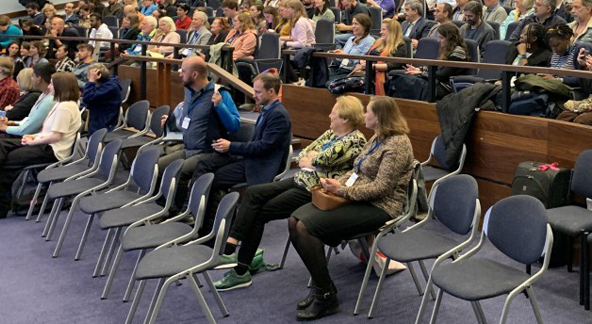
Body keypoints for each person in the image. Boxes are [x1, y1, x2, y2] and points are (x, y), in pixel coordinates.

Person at [288, 96, 415, 320]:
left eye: (368, 112)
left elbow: (381, 189)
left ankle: (326, 296)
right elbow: (357, 169)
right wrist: (339, 183)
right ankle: (322, 287)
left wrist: (342, 191)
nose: (364, 115)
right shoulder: (378, 137)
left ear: (380, 117)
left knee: (305, 228)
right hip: (358, 198)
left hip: (380, 207)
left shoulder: (397, 145)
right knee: (294, 221)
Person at [0, 72, 83, 219]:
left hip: (51, 150)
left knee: (4, 162)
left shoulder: (65, 107)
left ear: (59, 86)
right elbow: (49, 131)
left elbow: (57, 136)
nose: (49, 86)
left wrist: (34, 140)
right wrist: (33, 136)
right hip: (45, 143)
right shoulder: (62, 104)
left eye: (51, 84)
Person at [192, 72, 291, 238]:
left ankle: (217, 229)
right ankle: (211, 225)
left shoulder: (278, 115)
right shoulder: (269, 110)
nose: (253, 95)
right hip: (252, 159)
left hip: (261, 165)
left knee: (214, 180)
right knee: (209, 169)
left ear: (271, 92)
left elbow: (262, 148)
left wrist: (231, 146)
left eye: (258, 92)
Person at [157, 57, 241, 204]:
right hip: (188, 148)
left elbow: (235, 126)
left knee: (180, 172)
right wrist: (169, 123)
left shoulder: (220, 93)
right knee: (159, 166)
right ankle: (165, 206)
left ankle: (181, 212)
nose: (180, 74)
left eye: (183, 71)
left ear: (194, 75)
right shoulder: (189, 92)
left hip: (208, 151)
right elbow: (187, 121)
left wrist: (220, 106)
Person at [80, 63, 124, 135]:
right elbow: (86, 101)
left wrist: (91, 81)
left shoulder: (111, 87)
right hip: (95, 117)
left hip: (103, 123)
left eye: (90, 75)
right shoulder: (101, 84)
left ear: (98, 75)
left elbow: (88, 98)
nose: (88, 78)